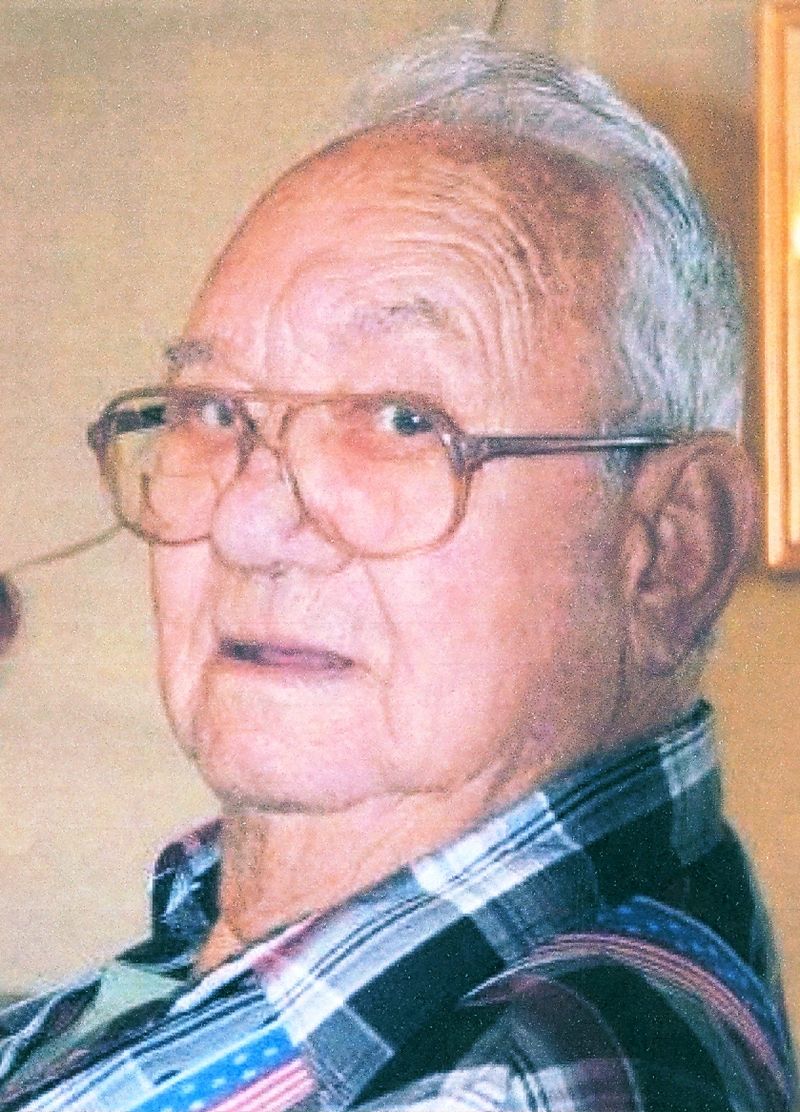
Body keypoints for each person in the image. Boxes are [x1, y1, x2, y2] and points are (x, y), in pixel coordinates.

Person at [0, 32, 795, 1112]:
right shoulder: (275, 972)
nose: (246, 520)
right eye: (213, 410)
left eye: (402, 421)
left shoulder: (523, 1083)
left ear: (670, 549)